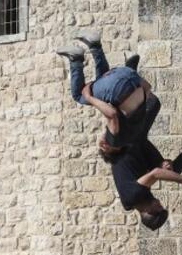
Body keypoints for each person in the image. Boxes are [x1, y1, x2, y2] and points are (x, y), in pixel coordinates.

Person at [55, 29, 151, 160]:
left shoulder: (135, 129)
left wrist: (128, 75)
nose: (102, 143)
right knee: (79, 96)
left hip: (129, 75)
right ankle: (76, 58)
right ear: (112, 149)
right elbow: (111, 114)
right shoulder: (116, 141)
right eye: (104, 147)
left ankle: (94, 45)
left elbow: (147, 88)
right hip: (117, 88)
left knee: (102, 82)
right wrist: (89, 97)